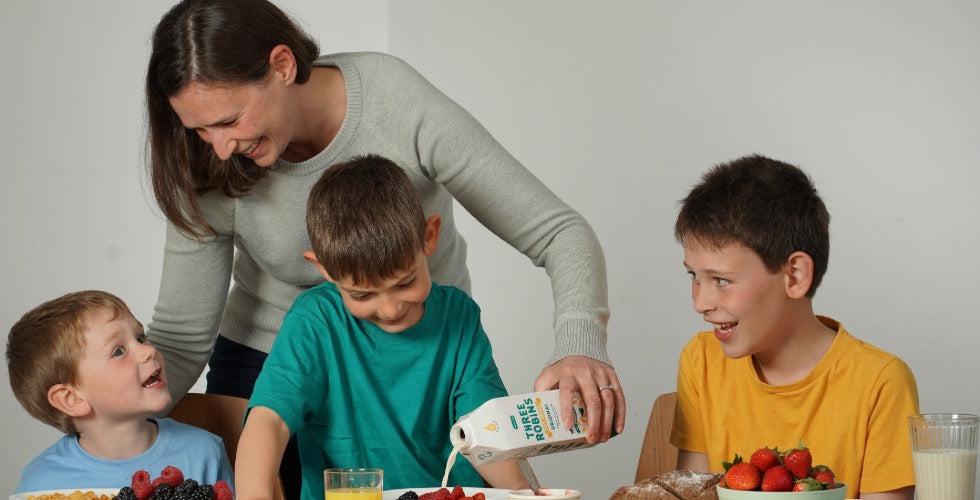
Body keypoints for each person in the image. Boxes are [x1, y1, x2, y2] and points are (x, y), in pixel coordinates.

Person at [145, 1, 622, 497]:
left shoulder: (394, 102)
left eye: (229, 120)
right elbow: (180, 338)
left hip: (426, 359)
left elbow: (558, 231)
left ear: (282, 66)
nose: (219, 148)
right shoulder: (208, 161)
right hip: (274, 360)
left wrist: (578, 344)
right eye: (199, 129)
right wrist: (108, 415)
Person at [235, 155, 529, 498]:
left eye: (405, 283)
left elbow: (486, 433)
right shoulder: (314, 323)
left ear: (429, 237)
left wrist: (524, 493)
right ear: (324, 268)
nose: (390, 309)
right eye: (362, 294)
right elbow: (268, 422)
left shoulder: (459, 318)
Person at [669, 155, 918, 499]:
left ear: (795, 276)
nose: (700, 302)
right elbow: (694, 493)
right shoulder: (701, 361)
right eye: (694, 276)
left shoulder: (880, 383)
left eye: (722, 280)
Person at [6, 290, 234, 493]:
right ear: (72, 399)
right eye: (118, 351)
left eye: (140, 338)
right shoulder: (39, 483)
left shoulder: (204, 452)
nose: (147, 351)